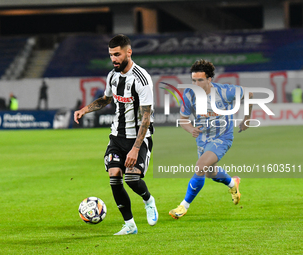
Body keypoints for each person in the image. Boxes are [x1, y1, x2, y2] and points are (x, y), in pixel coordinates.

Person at [74, 34, 158, 235]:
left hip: (138, 137)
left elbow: (146, 116)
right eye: (111, 55)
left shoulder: (142, 78)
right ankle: (130, 225)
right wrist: (85, 109)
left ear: (129, 52)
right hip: (116, 136)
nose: (114, 59)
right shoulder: (112, 76)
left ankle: (148, 200)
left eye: (117, 54)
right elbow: (106, 99)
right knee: (114, 176)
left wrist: (136, 149)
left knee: (131, 178)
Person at [169, 59, 253, 219]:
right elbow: (183, 119)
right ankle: (232, 183)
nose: (196, 83)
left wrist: (247, 119)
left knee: (200, 166)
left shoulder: (225, 91)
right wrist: (191, 129)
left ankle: (183, 206)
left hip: (223, 137)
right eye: (193, 80)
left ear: (209, 79)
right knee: (210, 172)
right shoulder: (189, 94)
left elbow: (249, 94)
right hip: (203, 138)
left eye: (200, 80)